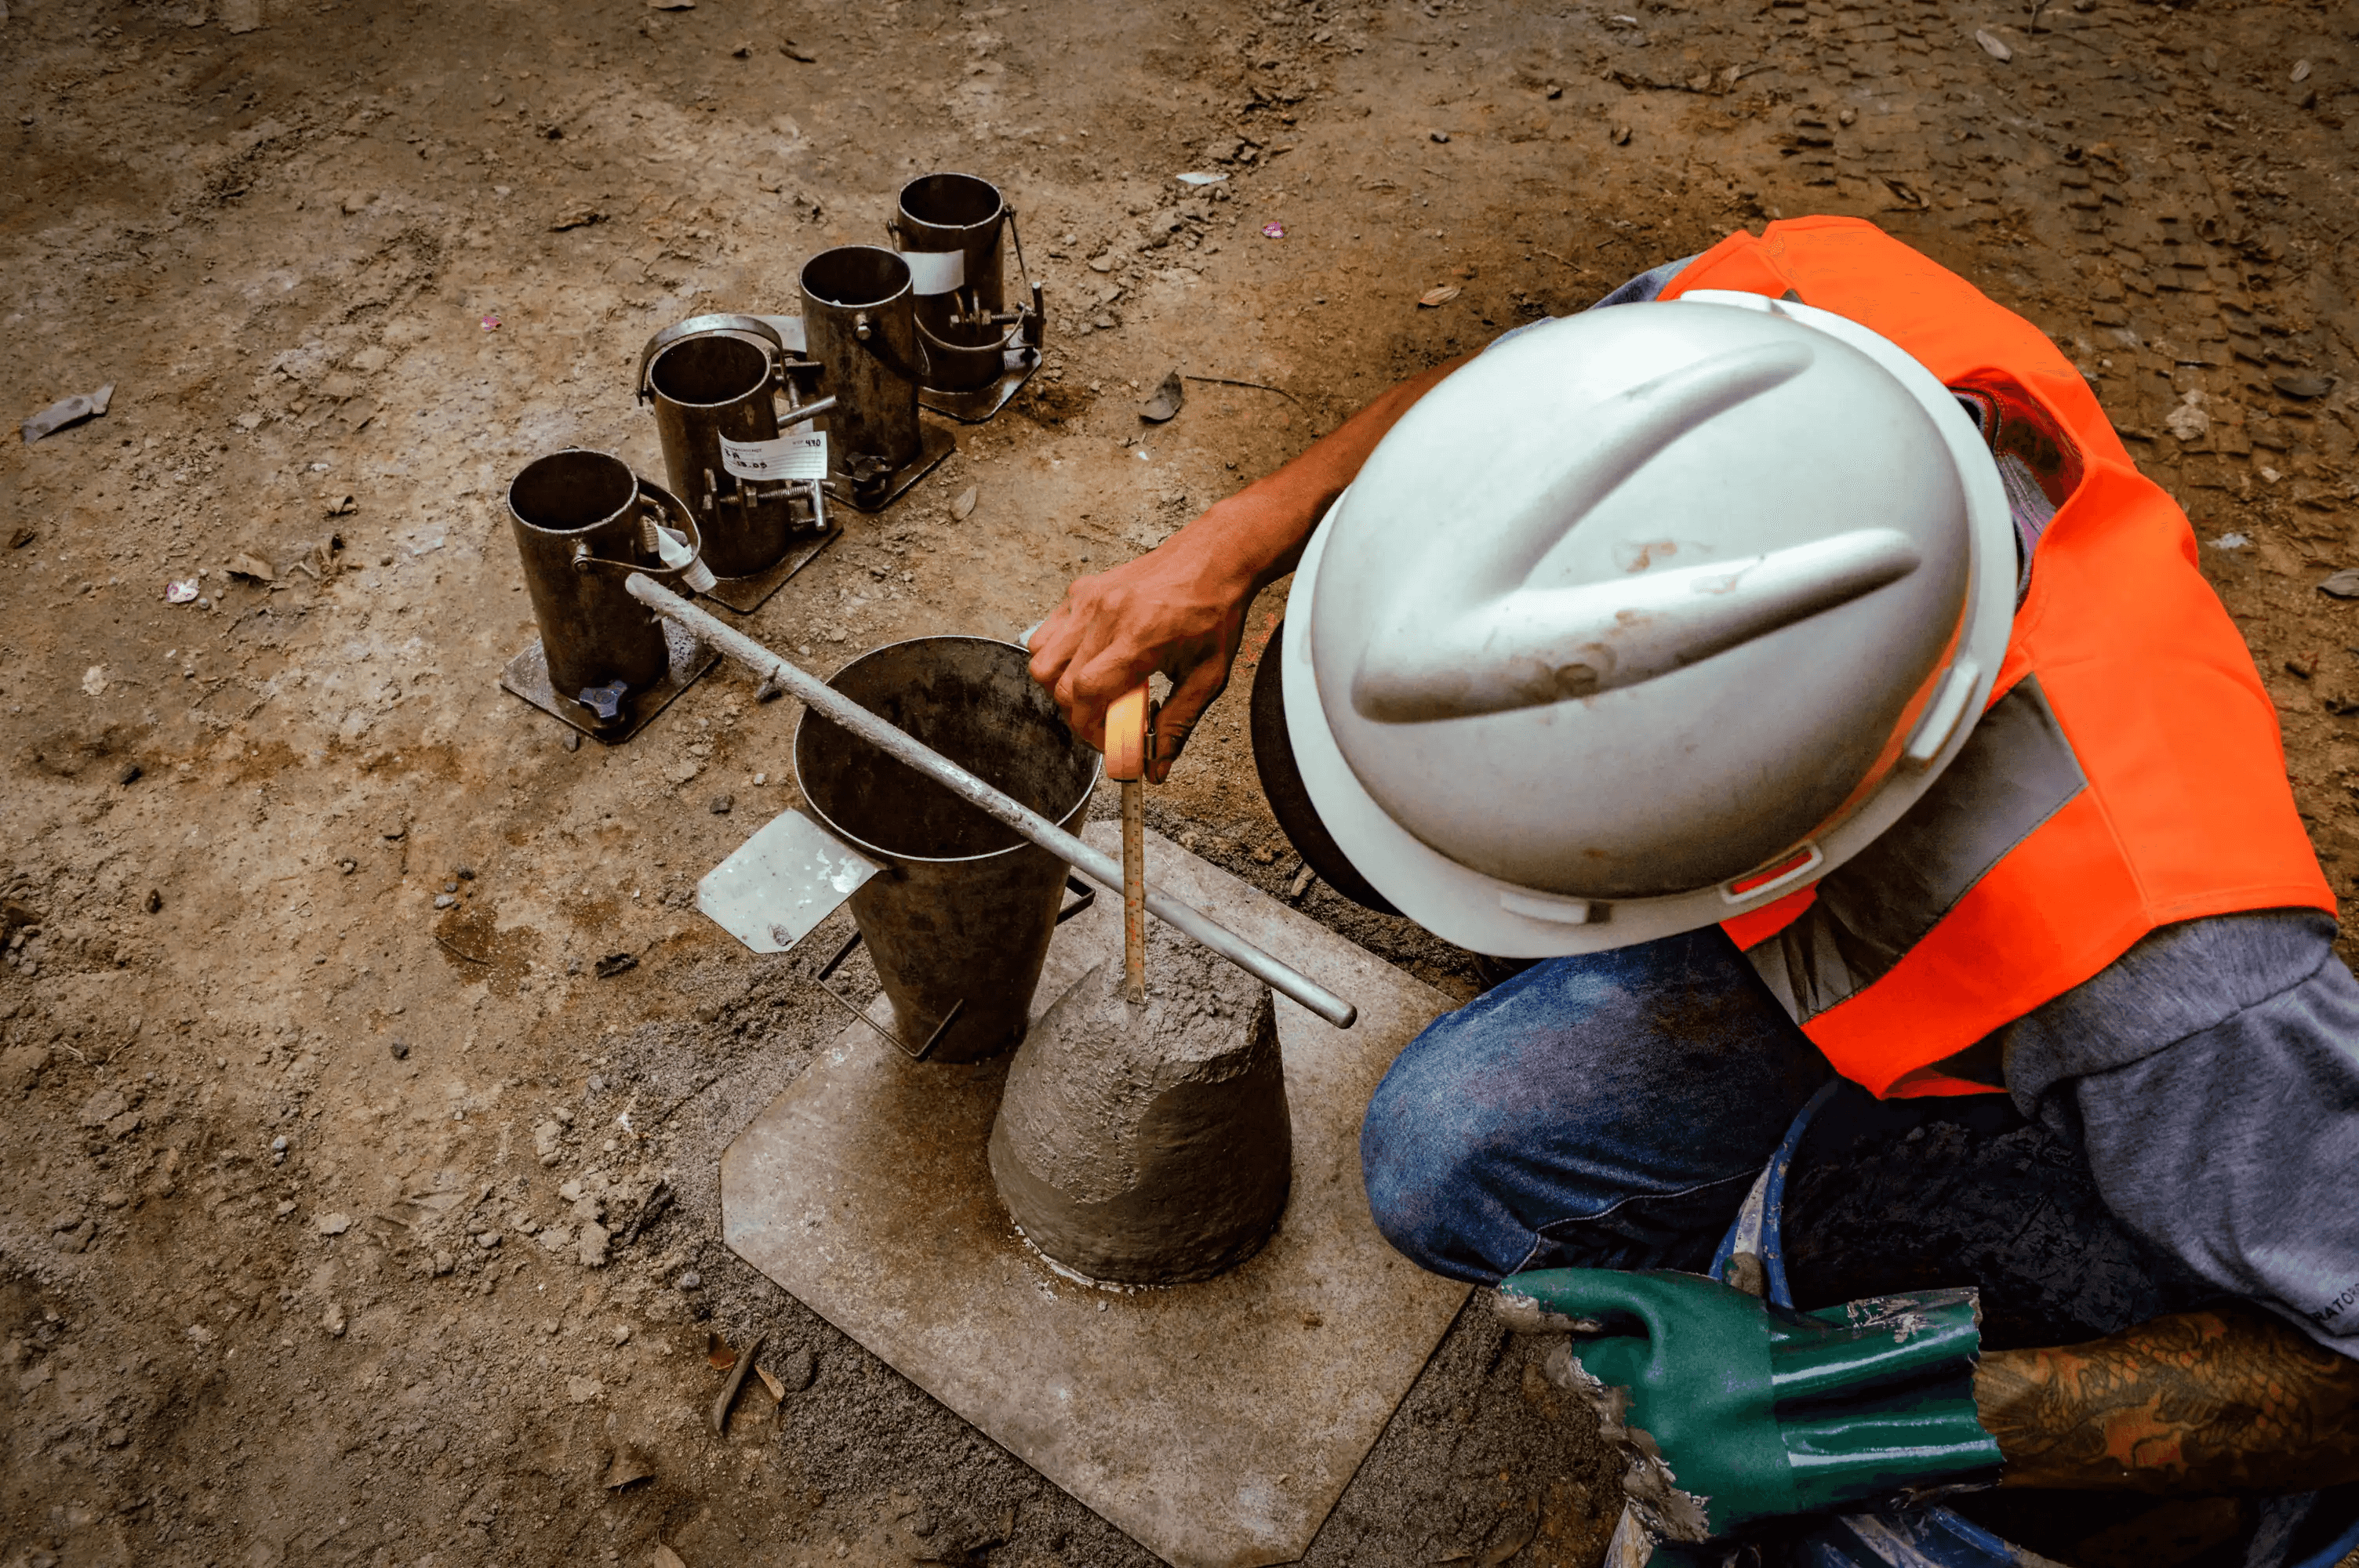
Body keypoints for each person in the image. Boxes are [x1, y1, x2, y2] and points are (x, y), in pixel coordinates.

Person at [1027, 217, 2359, 1566]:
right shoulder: (1772, 317)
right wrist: (1244, 535)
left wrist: (1847, 1404)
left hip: (2067, 1077)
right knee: (1450, 1153)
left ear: (1756, 857)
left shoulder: (2172, 965)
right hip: (1904, 932)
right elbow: (1516, 394)